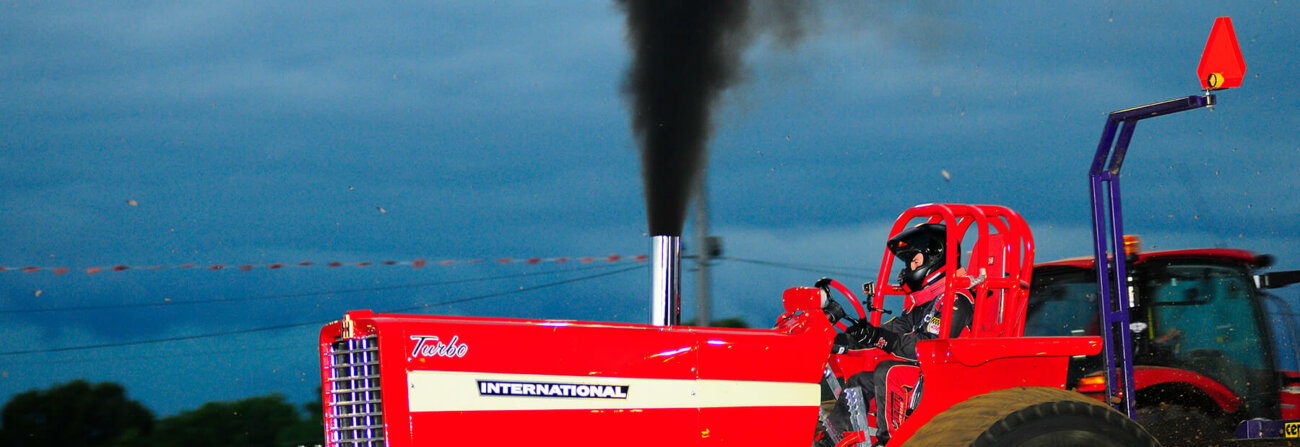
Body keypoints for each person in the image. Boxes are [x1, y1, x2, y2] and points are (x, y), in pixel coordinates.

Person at [822, 223, 975, 446]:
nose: (909, 269)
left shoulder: (955, 300)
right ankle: (831, 439)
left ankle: (891, 440)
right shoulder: (923, 303)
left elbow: (931, 347)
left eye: (915, 261)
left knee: (888, 371)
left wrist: (883, 339)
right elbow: (891, 330)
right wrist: (842, 342)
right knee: (858, 380)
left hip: (947, 378)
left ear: (936, 260)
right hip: (926, 375)